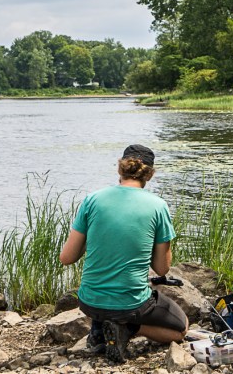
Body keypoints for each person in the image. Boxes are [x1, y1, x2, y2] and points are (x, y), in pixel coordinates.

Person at [59, 144, 188, 364]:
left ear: (120, 169)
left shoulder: (92, 200)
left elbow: (67, 258)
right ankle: (129, 328)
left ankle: (102, 328)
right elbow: (162, 268)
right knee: (181, 329)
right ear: (149, 173)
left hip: (89, 301)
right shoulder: (158, 206)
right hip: (131, 303)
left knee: (106, 305)